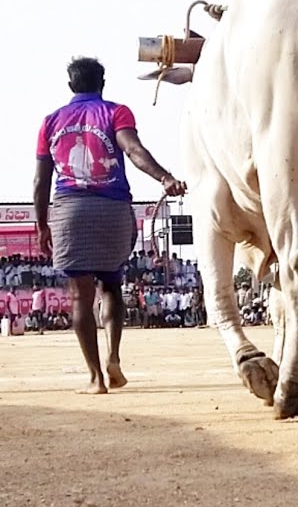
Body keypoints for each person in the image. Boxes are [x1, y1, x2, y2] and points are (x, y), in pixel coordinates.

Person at [34, 57, 185, 393]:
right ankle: (113, 357)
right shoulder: (116, 112)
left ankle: (95, 378)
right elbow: (133, 149)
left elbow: (40, 181)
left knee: (79, 298)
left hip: (70, 210)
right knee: (112, 287)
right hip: (114, 209)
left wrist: (42, 224)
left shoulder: (50, 122)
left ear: (71, 85)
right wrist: (165, 177)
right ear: (102, 84)